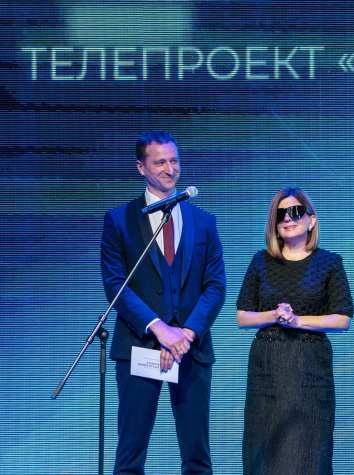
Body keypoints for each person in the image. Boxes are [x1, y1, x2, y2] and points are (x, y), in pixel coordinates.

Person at [101, 131, 226, 475]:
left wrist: (185, 333)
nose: (170, 169)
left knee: (197, 458)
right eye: (160, 162)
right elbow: (116, 285)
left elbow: (216, 286)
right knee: (130, 458)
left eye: (174, 161)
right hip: (139, 347)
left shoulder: (204, 221)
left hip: (190, 350)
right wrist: (160, 329)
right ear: (141, 167)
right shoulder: (120, 220)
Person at [236, 186, 354, 475]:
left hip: (309, 367)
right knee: (263, 450)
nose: (288, 219)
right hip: (267, 366)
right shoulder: (261, 261)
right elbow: (242, 317)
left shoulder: (329, 263)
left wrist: (298, 321)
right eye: (281, 215)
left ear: (311, 220)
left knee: (308, 450)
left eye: (295, 211)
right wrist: (274, 316)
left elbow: (342, 318)